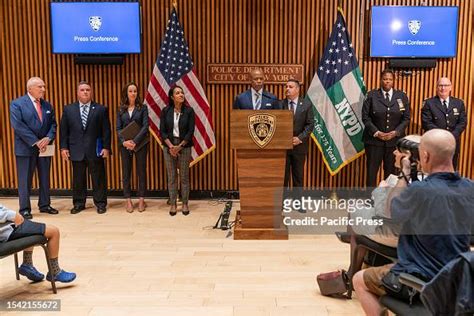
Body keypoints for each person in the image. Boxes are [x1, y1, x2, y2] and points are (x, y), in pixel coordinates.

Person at [353, 129, 474, 316]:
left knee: (359, 280)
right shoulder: (469, 187)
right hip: (459, 276)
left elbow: (389, 211)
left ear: (424, 155)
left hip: (421, 276)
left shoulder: (420, 190)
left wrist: (405, 172)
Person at [9, 77, 58, 219]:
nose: (43, 89)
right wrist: (36, 141)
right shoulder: (17, 104)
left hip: (45, 148)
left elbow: (53, 125)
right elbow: (18, 126)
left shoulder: (47, 105)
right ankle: (24, 208)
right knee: (25, 179)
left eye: (44, 86)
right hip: (26, 148)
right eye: (39, 86)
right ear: (29, 88)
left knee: (45, 178)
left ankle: (45, 205)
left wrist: (48, 138)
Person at [59, 81, 111, 214]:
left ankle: (100, 203)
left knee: (98, 178)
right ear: (77, 92)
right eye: (82, 90)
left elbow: (106, 130)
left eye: (88, 89)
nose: (85, 92)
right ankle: (79, 203)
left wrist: (106, 147)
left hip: (95, 150)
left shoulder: (101, 109)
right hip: (76, 150)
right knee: (78, 179)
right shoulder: (68, 109)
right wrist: (63, 148)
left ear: (91, 92)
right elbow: (64, 131)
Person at [0, 204, 76, 283]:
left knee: (29, 226)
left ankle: (27, 264)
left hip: (7, 228)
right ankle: (55, 271)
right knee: (54, 231)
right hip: (7, 231)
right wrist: (12, 215)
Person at [362, 69, 410, 188]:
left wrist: (396, 132)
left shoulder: (402, 96)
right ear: (380, 80)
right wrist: (377, 132)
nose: (387, 81)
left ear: (393, 81)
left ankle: (389, 199)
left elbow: (406, 118)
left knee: (392, 173)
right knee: (371, 173)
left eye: (390, 79)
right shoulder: (371, 95)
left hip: (394, 142)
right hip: (374, 142)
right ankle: (370, 199)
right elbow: (365, 117)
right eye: (385, 79)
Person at [160, 85, 195, 216]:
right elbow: (162, 131)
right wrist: (171, 147)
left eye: (182, 92)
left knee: (184, 176)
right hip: (169, 146)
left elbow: (190, 131)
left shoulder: (189, 111)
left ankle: (185, 203)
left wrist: (179, 146)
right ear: (172, 97)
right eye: (178, 93)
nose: (181, 95)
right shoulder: (165, 111)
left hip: (184, 146)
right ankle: (173, 203)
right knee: (172, 177)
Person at [273, 79, 314, 188]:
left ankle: (297, 204)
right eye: (286, 86)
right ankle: (283, 203)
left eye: (290, 87)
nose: (287, 89)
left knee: (298, 178)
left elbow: (310, 125)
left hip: (299, 147)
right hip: (283, 148)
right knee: (282, 179)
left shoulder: (306, 104)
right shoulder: (279, 104)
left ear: (297, 89)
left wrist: (300, 138)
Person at [116, 82, 149, 213]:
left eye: (135, 91)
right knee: (126, 172)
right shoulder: (121, 109)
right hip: (125, 145)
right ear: (126, 93)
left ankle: (141, 199)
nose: (133, 93)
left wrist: (135, 141)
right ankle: (128, 199)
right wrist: (124, 142)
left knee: (141, 171)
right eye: (130, 91)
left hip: (140, 144)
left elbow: (146, 126)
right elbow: (118, 128)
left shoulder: (143, 107)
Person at [421, 77, 467, 170]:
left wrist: (452, 136)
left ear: (451, 87)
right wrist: (442, 136)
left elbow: (462, 122)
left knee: (451, 170)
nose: (443, 88)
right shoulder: (429, 103)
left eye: (446, 85)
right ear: (437, 88)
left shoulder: (459, 103)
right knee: (434, 171)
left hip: (452, 143)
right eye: (440, 85)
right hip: (435, 144)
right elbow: (426, 123)